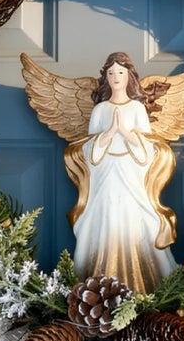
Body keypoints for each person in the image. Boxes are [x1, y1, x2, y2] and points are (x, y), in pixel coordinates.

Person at [67, 52, 177, 291]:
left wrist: (124, 132)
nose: (116, 77)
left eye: (120, 72)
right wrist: (108, 133)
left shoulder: (137, 108)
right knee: (106, 217)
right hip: (106, 174)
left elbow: (149, 146)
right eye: (111, 73)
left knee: (134, 218)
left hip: (131, 173)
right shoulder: (100, 110)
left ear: (129, 76)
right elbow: (88, 147)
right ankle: (100, 282)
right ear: (105, 77)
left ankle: (143, 284)